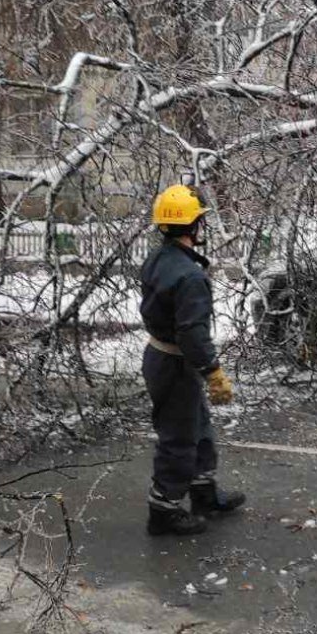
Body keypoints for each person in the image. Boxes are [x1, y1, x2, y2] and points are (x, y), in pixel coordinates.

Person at [140, 184, 245, 536]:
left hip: (162, 357)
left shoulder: (160, 259)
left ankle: (203, 492)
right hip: (176, 363)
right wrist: (213, 373)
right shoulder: (190, 277)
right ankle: (163, 510)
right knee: (179, 437)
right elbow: (192, 335)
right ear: (194, 226)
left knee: (198, 426)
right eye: (200, 220)